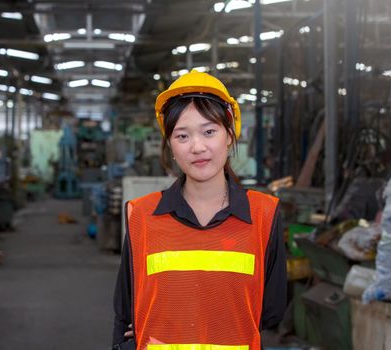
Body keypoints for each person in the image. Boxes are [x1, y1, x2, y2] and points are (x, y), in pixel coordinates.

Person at [112, 70, 287, 350]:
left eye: (209, 131)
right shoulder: (142, 216)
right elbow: (125, 312)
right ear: (170, 145)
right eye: (182, 135)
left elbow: (272, 311)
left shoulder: (264, 214)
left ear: (229, 135)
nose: (197, 147)